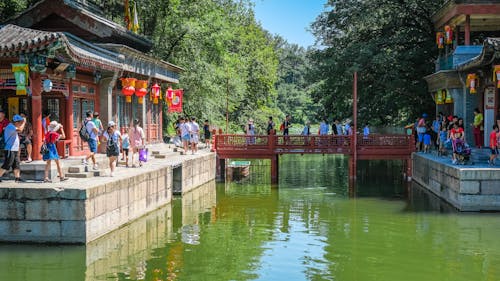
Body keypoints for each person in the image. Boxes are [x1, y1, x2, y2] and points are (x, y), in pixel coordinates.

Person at [0, 115, 25, 183]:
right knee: (7, 163)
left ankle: (17, 177)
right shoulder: (10, 126)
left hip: (14, 149)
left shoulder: (13, 126)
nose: (20, 123)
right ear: (16, 122)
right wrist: (24, 123)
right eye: (20, 122)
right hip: (9, 148)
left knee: (16, 164)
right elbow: (20, 130)